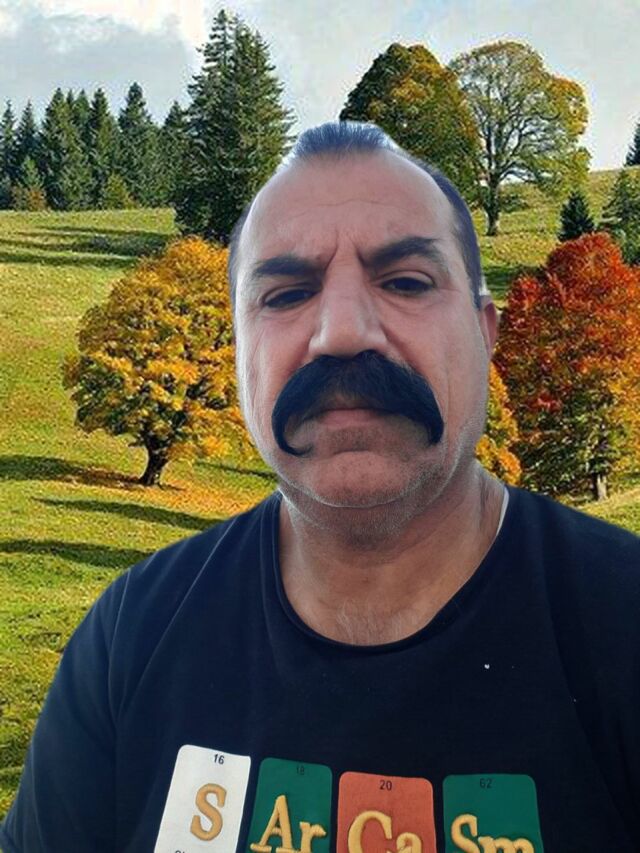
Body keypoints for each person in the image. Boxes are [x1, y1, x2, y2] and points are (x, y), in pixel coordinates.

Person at [2, 120, 640, 853]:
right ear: (240, 352)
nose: (340, 331)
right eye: (285, 294)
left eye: (405, 281)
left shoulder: (623, 624)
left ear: (485, 332)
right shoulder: (132, 634)